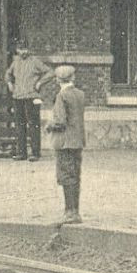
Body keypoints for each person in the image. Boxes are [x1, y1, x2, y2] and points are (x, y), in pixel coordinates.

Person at [45, 65, 86, 224]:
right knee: (76, 175)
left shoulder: (61, 96)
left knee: (65, 176)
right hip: (77, 141)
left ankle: (70, 212)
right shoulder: (80, 94)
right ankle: (75, 210)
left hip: (64, 142)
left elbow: (60, 122)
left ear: (57, 80)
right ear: (73, 78)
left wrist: (49, 126)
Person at [5, 43, 54, 161]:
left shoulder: (35, 61)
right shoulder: (15, 61)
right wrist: (9, 83)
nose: (24, 52)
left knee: (33, 125)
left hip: (31, 97)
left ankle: (35, 153)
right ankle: (21, 153)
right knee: (19, 125)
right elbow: (8, 73)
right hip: (18, 97)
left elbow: (50, 72)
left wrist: (40, 83)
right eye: (21, 49)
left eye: (25, 49)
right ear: (17, 50)